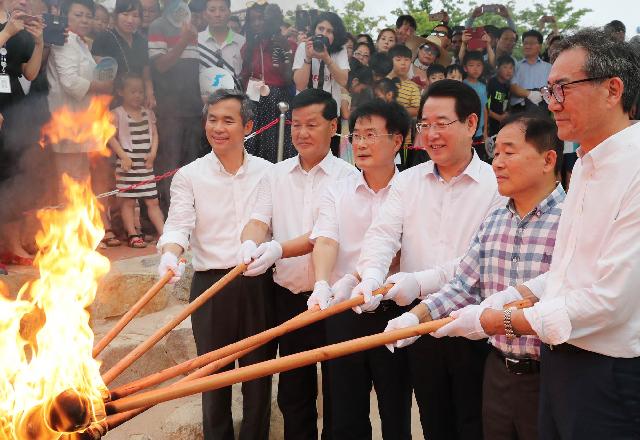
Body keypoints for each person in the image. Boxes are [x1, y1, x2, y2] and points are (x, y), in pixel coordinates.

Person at [431, 28, 640, 440]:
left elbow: (609, 300)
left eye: (563, 88)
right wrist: (514, 294)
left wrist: (500, 320)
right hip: (559, 361)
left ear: (612, 89)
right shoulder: (582, 166)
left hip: (607, 373)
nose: (552, 103)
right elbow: (569, 270)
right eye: (549, 90)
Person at [387, 112, 565, 440]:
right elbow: (463, 284)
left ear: (548, 159)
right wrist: (414, 318)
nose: (497, 162)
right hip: (496, 370)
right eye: (495, 153)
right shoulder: (495, 219)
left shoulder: (571, 222)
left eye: (509, 152)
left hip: (553, 375)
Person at [351, 79, 504, 440]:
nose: (431, 134)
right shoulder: (410, 181)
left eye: (441, 123)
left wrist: (418, 282)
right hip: (421, 323)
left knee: (475, 423)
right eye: (425, 124)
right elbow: (383, 234)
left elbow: (477, 261)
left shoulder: (496, 184)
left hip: (474, 323)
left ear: (471, 124)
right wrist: (372, 276)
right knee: (434, 421)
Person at [239, 89, 357, 440]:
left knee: (339, 389)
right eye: (296, 124)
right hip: (289, 297)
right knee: (294, 390)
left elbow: (322, 233)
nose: (301, 133)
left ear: (333, 126)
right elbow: (259, 219)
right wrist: (250, 242)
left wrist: (277, 249)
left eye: (312, 124)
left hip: (334, 298)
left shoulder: (349, 178)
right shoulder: (275, 175)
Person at [157, 89, 274, 440]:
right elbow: (179, 224)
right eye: (212, 119)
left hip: (258, 282)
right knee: (212, 377)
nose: (218, 127)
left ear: (248, 126)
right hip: (210, 286)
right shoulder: (189, 175)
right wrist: (170, 253)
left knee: (258, 376)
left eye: (228, 120)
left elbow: (270, 222)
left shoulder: (269, 173)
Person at [310, 99, 412, 439]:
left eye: (371, 134)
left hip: (395, 311)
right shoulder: (338, 190)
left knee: (395, 408)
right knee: (343, 411)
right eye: (356, 135)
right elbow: (325, 239)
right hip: (343, 308)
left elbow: (401, 251)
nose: (361, 144)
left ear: (397, 141)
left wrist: (366, 278)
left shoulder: (412, 190)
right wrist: (323, 283)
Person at [148, 0, 202, 216]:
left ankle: (191, 215)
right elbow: (160, 65)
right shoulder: (158, 25)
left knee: (192, 164)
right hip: (170, 108)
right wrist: (184, 40)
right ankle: (171, 216)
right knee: (170, 163)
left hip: (193, 106)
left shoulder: (189, 23)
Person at [0, 4, 45, 266]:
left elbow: (30, 72)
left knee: (14, 177)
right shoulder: (10, 26)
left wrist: (38, 43)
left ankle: (12, 245)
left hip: (15, 106)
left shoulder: (20, 24)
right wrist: (6, 33)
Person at [108, 73, 164, 247]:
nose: (137, 95)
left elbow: (154, 134)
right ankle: (132, 233)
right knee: (128, 201)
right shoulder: (117, 114)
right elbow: (110, 137)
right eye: (133, 92)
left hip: (146, 164)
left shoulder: (148, 113)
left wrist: (153, 153)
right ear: (121, 92)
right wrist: (123, 156)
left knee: (152, 200)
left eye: (140, 92)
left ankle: (164, 233)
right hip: (127, 166)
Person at [241, 3, 295, 163]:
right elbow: (244, 77)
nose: (257, 23)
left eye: (261, 18)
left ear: (273, 19)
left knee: (276, 150)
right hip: (253, 101)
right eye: (252, 20)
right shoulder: (248, 47)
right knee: (251, 148)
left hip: (278, 103)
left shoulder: (288, 45)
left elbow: (290, 79)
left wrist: (285, 51)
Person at [91, 0, 155, 108]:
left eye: (135, 16)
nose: (130, 20)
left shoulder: (141, 41)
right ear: (116, 15)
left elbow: (146, 75)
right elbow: (97, 75)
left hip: (137, 101)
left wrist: (149, 93)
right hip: (111, 102)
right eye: (125, 14)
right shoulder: (104, 38)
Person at [292, 11, 349, 115]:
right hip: (304, 107)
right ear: (314, 30)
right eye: (321, 29)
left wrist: (327, 58)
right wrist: (308, 58)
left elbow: (343, 81)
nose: (323, 34)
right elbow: (300, 85)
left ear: (336, 35)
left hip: (329, 110)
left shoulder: (340, 51)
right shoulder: (304, 47)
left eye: (329, 31)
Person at [197, 0, 245, 89]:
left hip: (236, 99)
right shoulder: (196, 41)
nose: (217, 14)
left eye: (222, 10)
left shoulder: (242, 42)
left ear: (229, 13)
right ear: (204, 14)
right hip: (204, 101)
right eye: (212, 10)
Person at [509, 30, 550, 113]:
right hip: (519, 109)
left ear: (540, 46)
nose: (527, 46)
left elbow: (551, 87)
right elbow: (512, 87)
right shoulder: (515, 66)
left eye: (531, 43)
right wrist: (530, 94)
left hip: (541, 108)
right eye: (525, 43)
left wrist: (543, 92)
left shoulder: (549, 67)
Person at [463, 51, 489, 160]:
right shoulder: (462, 84)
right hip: (464, 130)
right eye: (471, 65)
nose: (475, 69)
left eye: (478, 65)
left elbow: (484, 109)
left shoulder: (483, 87)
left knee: (477, 158)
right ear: (465, 68)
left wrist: (485, 131)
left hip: (479, 131)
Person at [487, 55, 514, 137]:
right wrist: (498, 117)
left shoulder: (508, 86)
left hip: (500, 125)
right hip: (489, 124)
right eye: (505, 67)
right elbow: (485, 106)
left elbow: (506, 104)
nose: (508, 71)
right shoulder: (491, 83)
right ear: (497, 68)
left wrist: (506, 114)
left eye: (511, 68)